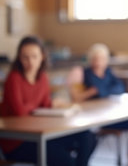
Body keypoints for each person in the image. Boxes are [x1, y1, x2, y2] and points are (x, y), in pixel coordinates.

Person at [0, 36, 96, 166]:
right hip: (18, 141)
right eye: (25, 57)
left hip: (41, 132)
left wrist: (54, 104)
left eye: (34, 56)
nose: (30, 62)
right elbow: (19, 110)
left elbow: (44, 104)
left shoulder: (43, 77)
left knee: (88, 137)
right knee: (66, 161)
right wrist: (37, 106)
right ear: (19, 58)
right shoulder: (14, 78)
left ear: (42, 57)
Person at [71, 43, 128, 166]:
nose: (98, 62)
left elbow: (120, 88)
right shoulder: (84, 73)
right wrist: (94, 91)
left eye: (101, 59)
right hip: (92, 119)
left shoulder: (108, 72)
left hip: (110, 115)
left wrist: (100, 91)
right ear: (90, 59)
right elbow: (77, 98)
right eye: (95, 58)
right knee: (87, 139)